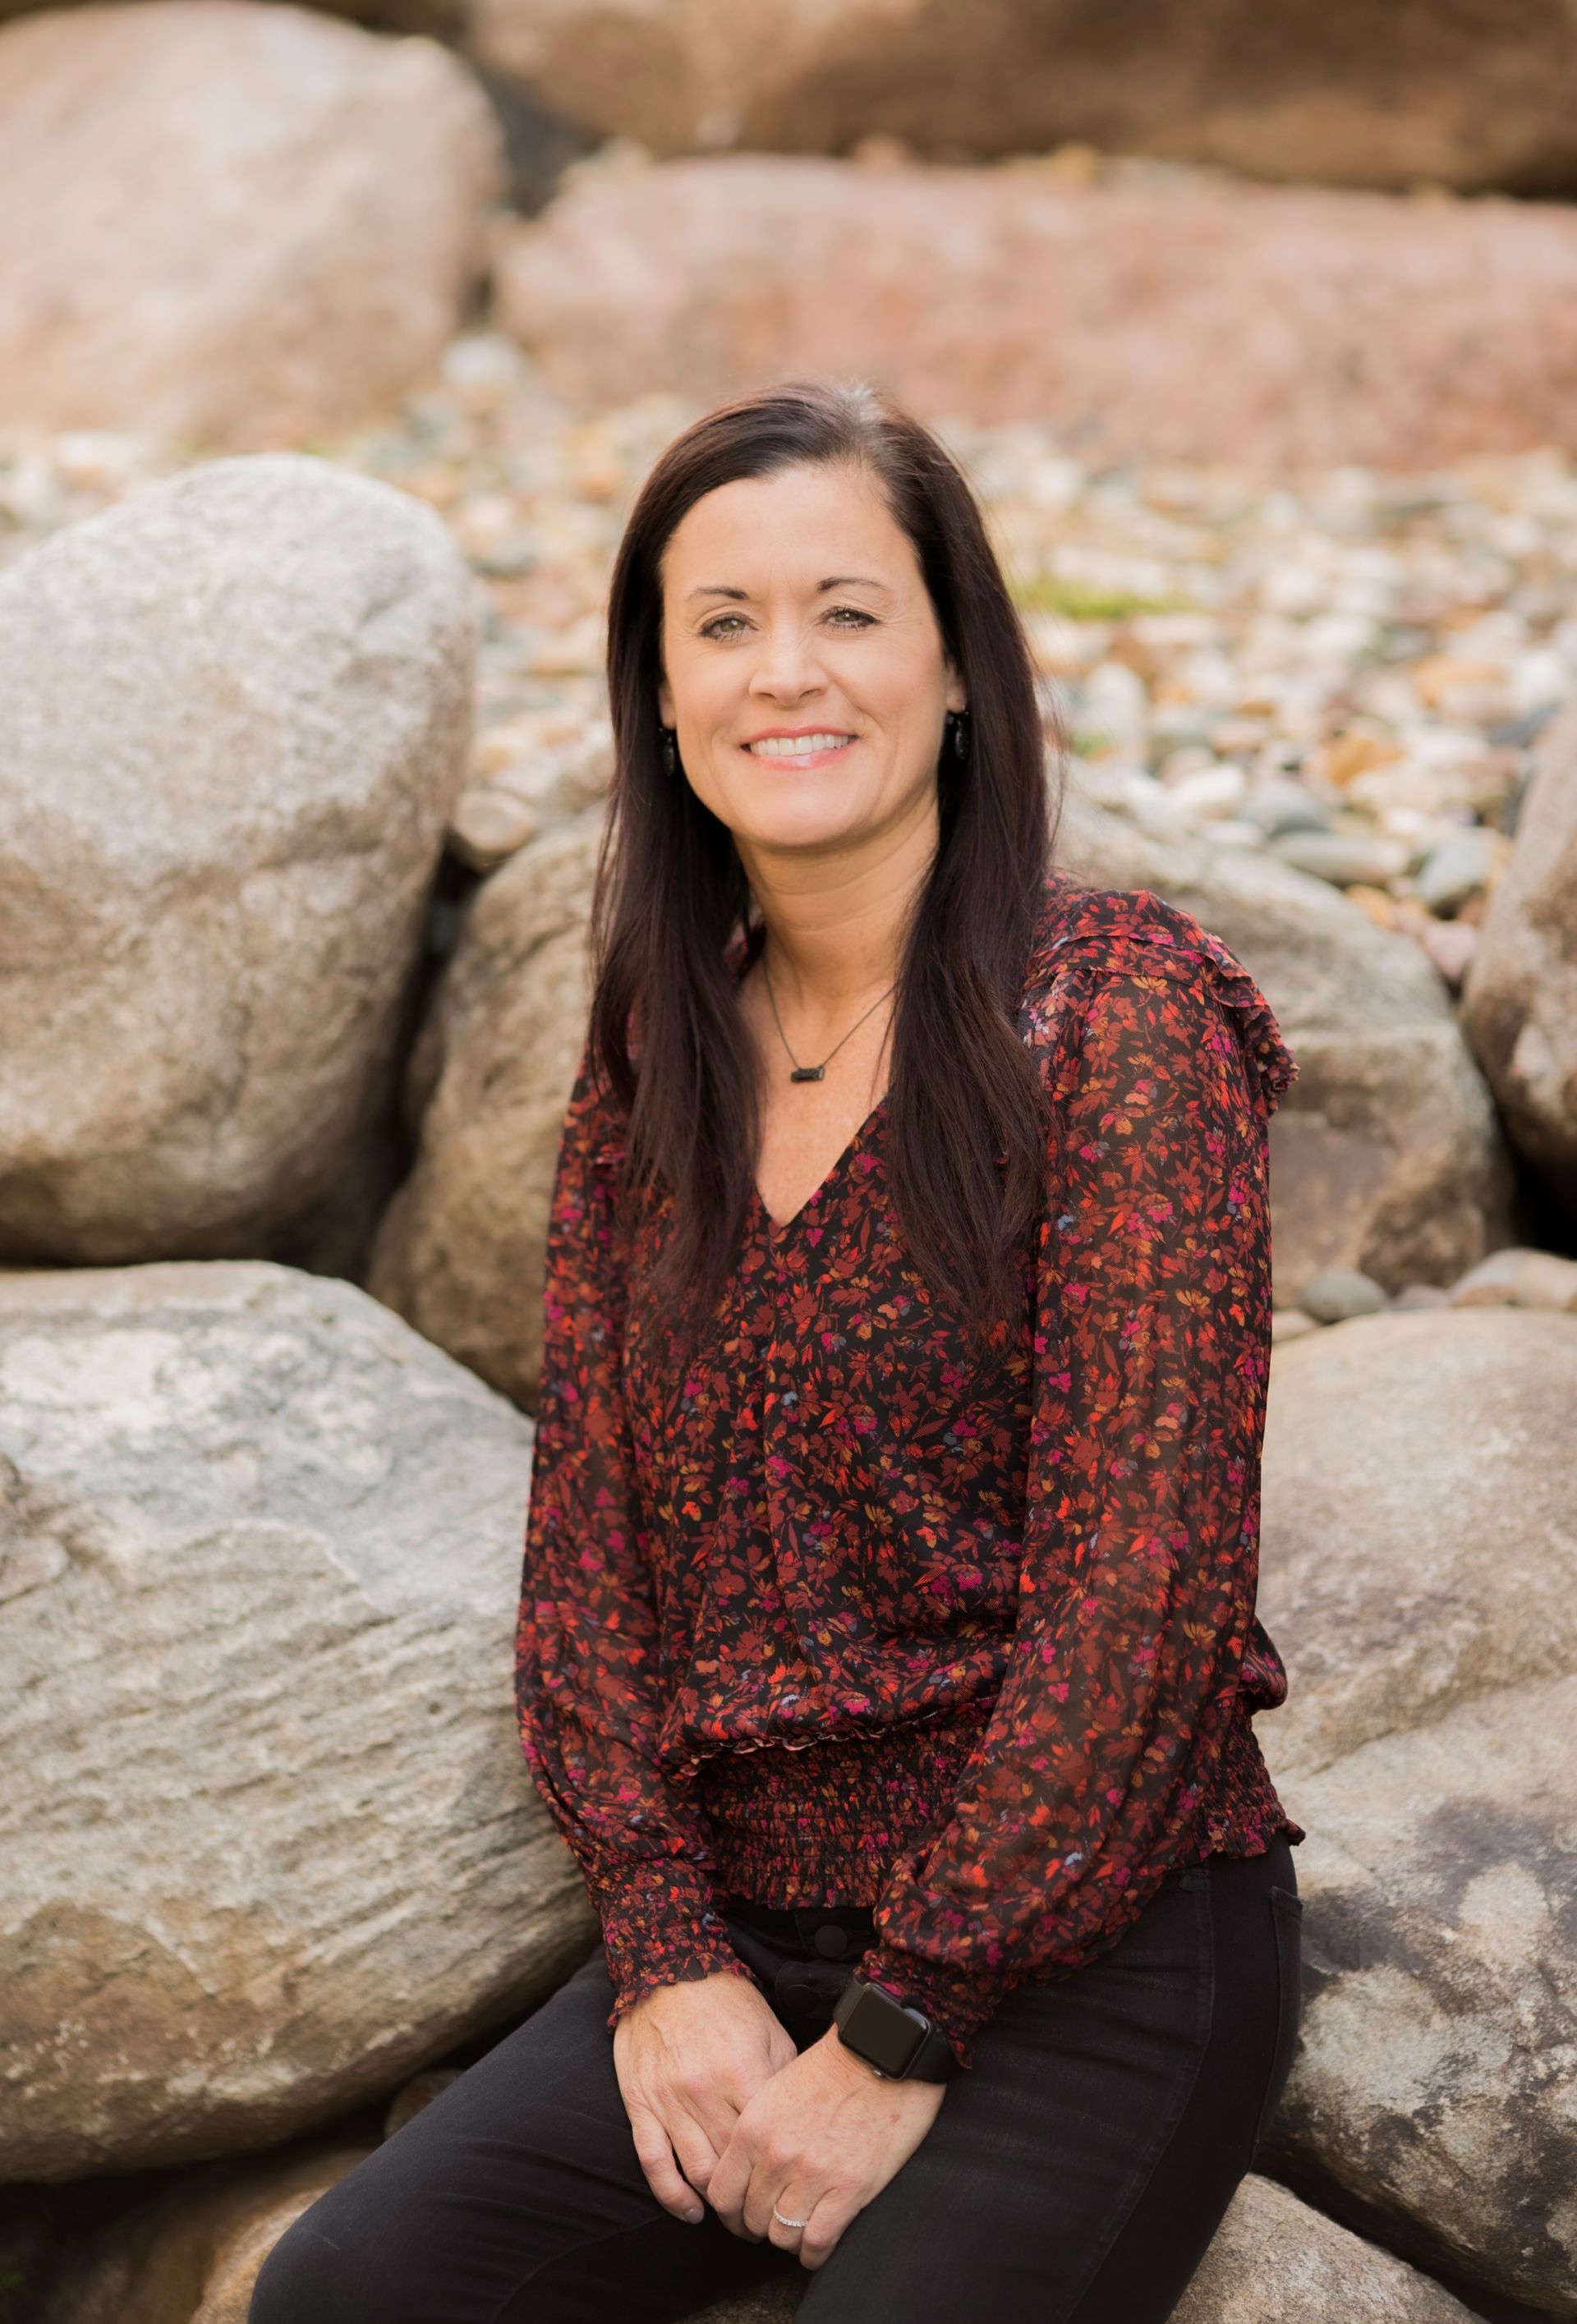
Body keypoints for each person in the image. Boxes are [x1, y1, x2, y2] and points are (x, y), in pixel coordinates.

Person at [251, 378, 1306, 2324]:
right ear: (659, 697)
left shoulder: (1116, 1013)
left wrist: (907, 2021)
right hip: (746, 1935)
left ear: (959, 662)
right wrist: (662, 1954)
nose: (782, 673)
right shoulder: (661, 1047)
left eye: (847, 609)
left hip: (1090, 1952)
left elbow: (1142, 1598)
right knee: (352, 2290)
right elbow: (585, 1557)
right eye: (720, 623)